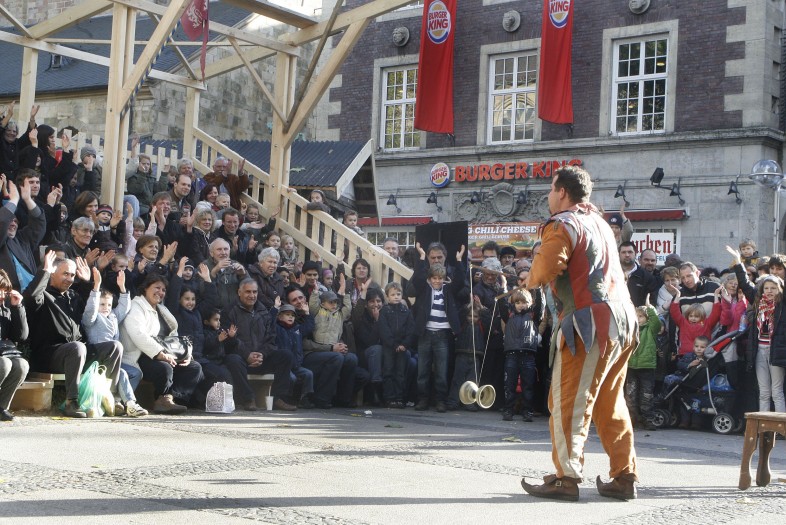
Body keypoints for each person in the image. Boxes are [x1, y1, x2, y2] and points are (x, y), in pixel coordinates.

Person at [521, 166, 638, 502]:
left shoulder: (562, 223)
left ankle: (566, 478)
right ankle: (624, 475)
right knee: (609, 401)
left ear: (562, 192)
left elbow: (546, 268)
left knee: (568, 401)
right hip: (623, 319)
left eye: (551, 188)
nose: (549, 195)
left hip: (589, 321)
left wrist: (530, 279)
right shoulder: (600, 223)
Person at [24, 251, 123, 418]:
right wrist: (44, 271)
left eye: (72, 275)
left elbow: (89, 310)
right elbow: (31, 297)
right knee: (77, 348)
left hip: (78, 353)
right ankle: (72, 402)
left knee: (115, 347)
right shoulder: (43, 295)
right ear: (52, 273)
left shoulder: (73, 296)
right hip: (50, 355)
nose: (70, 279)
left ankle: (109, 397)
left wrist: (86, 282)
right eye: (65, 274)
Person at [120, 273, 204, 414]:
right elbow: (138, 334)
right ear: (146, 288)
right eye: (157, 288)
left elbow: (174, 335)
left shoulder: (162, 309)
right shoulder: (136, 306)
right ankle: (164, 399)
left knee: (194, 367)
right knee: (165, 368)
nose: (161, 292)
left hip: (167, 353)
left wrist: (185, 355)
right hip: (141, 355)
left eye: (163, 290)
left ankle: (169, 398)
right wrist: (160, 354)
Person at [81, 267, 148, 417]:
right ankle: (130, 404)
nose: (106, 308)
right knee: (122, 373)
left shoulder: (113, 316)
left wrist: (122, 288)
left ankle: (116, 401)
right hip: (97, 358)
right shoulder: (91, 319)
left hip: (115, 359)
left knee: (135, 373)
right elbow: (90, 310)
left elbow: (124, 308)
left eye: (109, 305)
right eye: (102, 304)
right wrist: (96, 288)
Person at [221, 279, 297, 410]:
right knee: (232, 360)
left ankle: (277, 398)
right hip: (241, 359)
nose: (252, 295)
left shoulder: (264, 312)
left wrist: (262, 354)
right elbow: (229, 341)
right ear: (239, 292)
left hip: (262, 359)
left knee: (286, 355)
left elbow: (271, 339)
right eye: (248, 292)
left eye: (254, 292)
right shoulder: (229, 311)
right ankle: (248, 398)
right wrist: (247, 355)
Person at [412, 242, 464, 413]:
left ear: (444, 279)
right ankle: (422, 399)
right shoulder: (424, 289)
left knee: (441, 371)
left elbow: (460, 281)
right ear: (429, 279)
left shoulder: (448, 290)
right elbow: (417, 279)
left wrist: (459, 260)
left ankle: (440, 400)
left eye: (440, 278)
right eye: (434, 278)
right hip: (425, 334)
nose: (437, 281)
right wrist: (421, 257)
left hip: (442, 335)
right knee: (423, 370)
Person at [0, 175, 46, 292]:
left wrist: (28, 200)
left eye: (16, 221)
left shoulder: (22, 239)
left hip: (30, 295)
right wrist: (14, 200)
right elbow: (2, 221)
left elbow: (39, 224)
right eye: (10, 220)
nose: (13, 224)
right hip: (8, 296)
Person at [502, 289, 539, 422]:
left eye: (524, 302)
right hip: (511, 355)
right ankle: (508, 410)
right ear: (513, 304)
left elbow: (540, 305)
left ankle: (527, 411)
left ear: (530, 303)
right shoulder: (509, 315)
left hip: (528, 355)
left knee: (527, 386)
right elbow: (501, 304)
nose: (521, 305)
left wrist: (537, 287)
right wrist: (503, 287)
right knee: (509, 385)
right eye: (517, 302)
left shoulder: (533, 315)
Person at [377, 282, 415, 408]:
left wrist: (405, 344)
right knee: (388, 372)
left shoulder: (406, 311)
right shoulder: (384, 311)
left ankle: (399, 398)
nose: (396, 297)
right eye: (393, 295)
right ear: (387, 297)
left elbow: (410, 329)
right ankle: (389, 398)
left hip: (402, 347)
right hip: (389, 347)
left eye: (398, 294)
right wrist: (394, 344)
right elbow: (384, 330)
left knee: (400, 373)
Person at [446, 299, 488, 411]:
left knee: (472, 382)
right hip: (462, 355)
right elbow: (459, 315)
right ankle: (453, 401)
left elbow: (488, 320)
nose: (472, 318)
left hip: (475, 357)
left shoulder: (481, 325)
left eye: (475, 316)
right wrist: (467, 306)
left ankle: (469, 402)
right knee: (457, 379)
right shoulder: (463, 324)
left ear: (479, 317)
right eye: (470, 316)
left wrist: (481, 308)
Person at [663, 335, 711, 429]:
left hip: (698, 385)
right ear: (693, 347)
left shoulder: (707, 360)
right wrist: (690, 364)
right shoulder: (689, 356)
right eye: (697, 346)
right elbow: (679, 364)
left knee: (697, 404)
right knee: (684, 403)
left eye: (702, 347)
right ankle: (684, 421)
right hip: (685, 383)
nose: (699, 349)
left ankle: (696, 423)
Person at [625, 303, 660, 430]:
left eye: (641, 316)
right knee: (630, 395)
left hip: (647, 367)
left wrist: (649, 308)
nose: (638, 319)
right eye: (636, 316)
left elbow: (656, 322)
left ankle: (648, 419)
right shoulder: (630, 329)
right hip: (631, 366)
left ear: (647, 318)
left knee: (646, 395)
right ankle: (632, 419)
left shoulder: (650, 329)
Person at [0, 269, 29, 421]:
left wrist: (17, 307)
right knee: (4, 364)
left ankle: (2, 407)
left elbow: (21, 336)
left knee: (21, 365)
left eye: (4, 291)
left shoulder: (4, 309)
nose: (2, 295)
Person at [668, 286, 721, 356]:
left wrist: (716, 296)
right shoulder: (683, 323)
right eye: (691, 316)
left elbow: (716, 313)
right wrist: (677, 296)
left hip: (703, 355)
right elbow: (674, 312)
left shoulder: (707, 323)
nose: (693, 318)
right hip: (685, 354)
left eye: (696, 316)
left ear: (702, 316)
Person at [619, 242, 658, 307]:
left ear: (635, 254)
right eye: (623, 252)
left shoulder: (648, 278)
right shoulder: (611, 274)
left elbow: (651, 303)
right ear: (618, 254)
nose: (627, 255)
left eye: (630, 252)